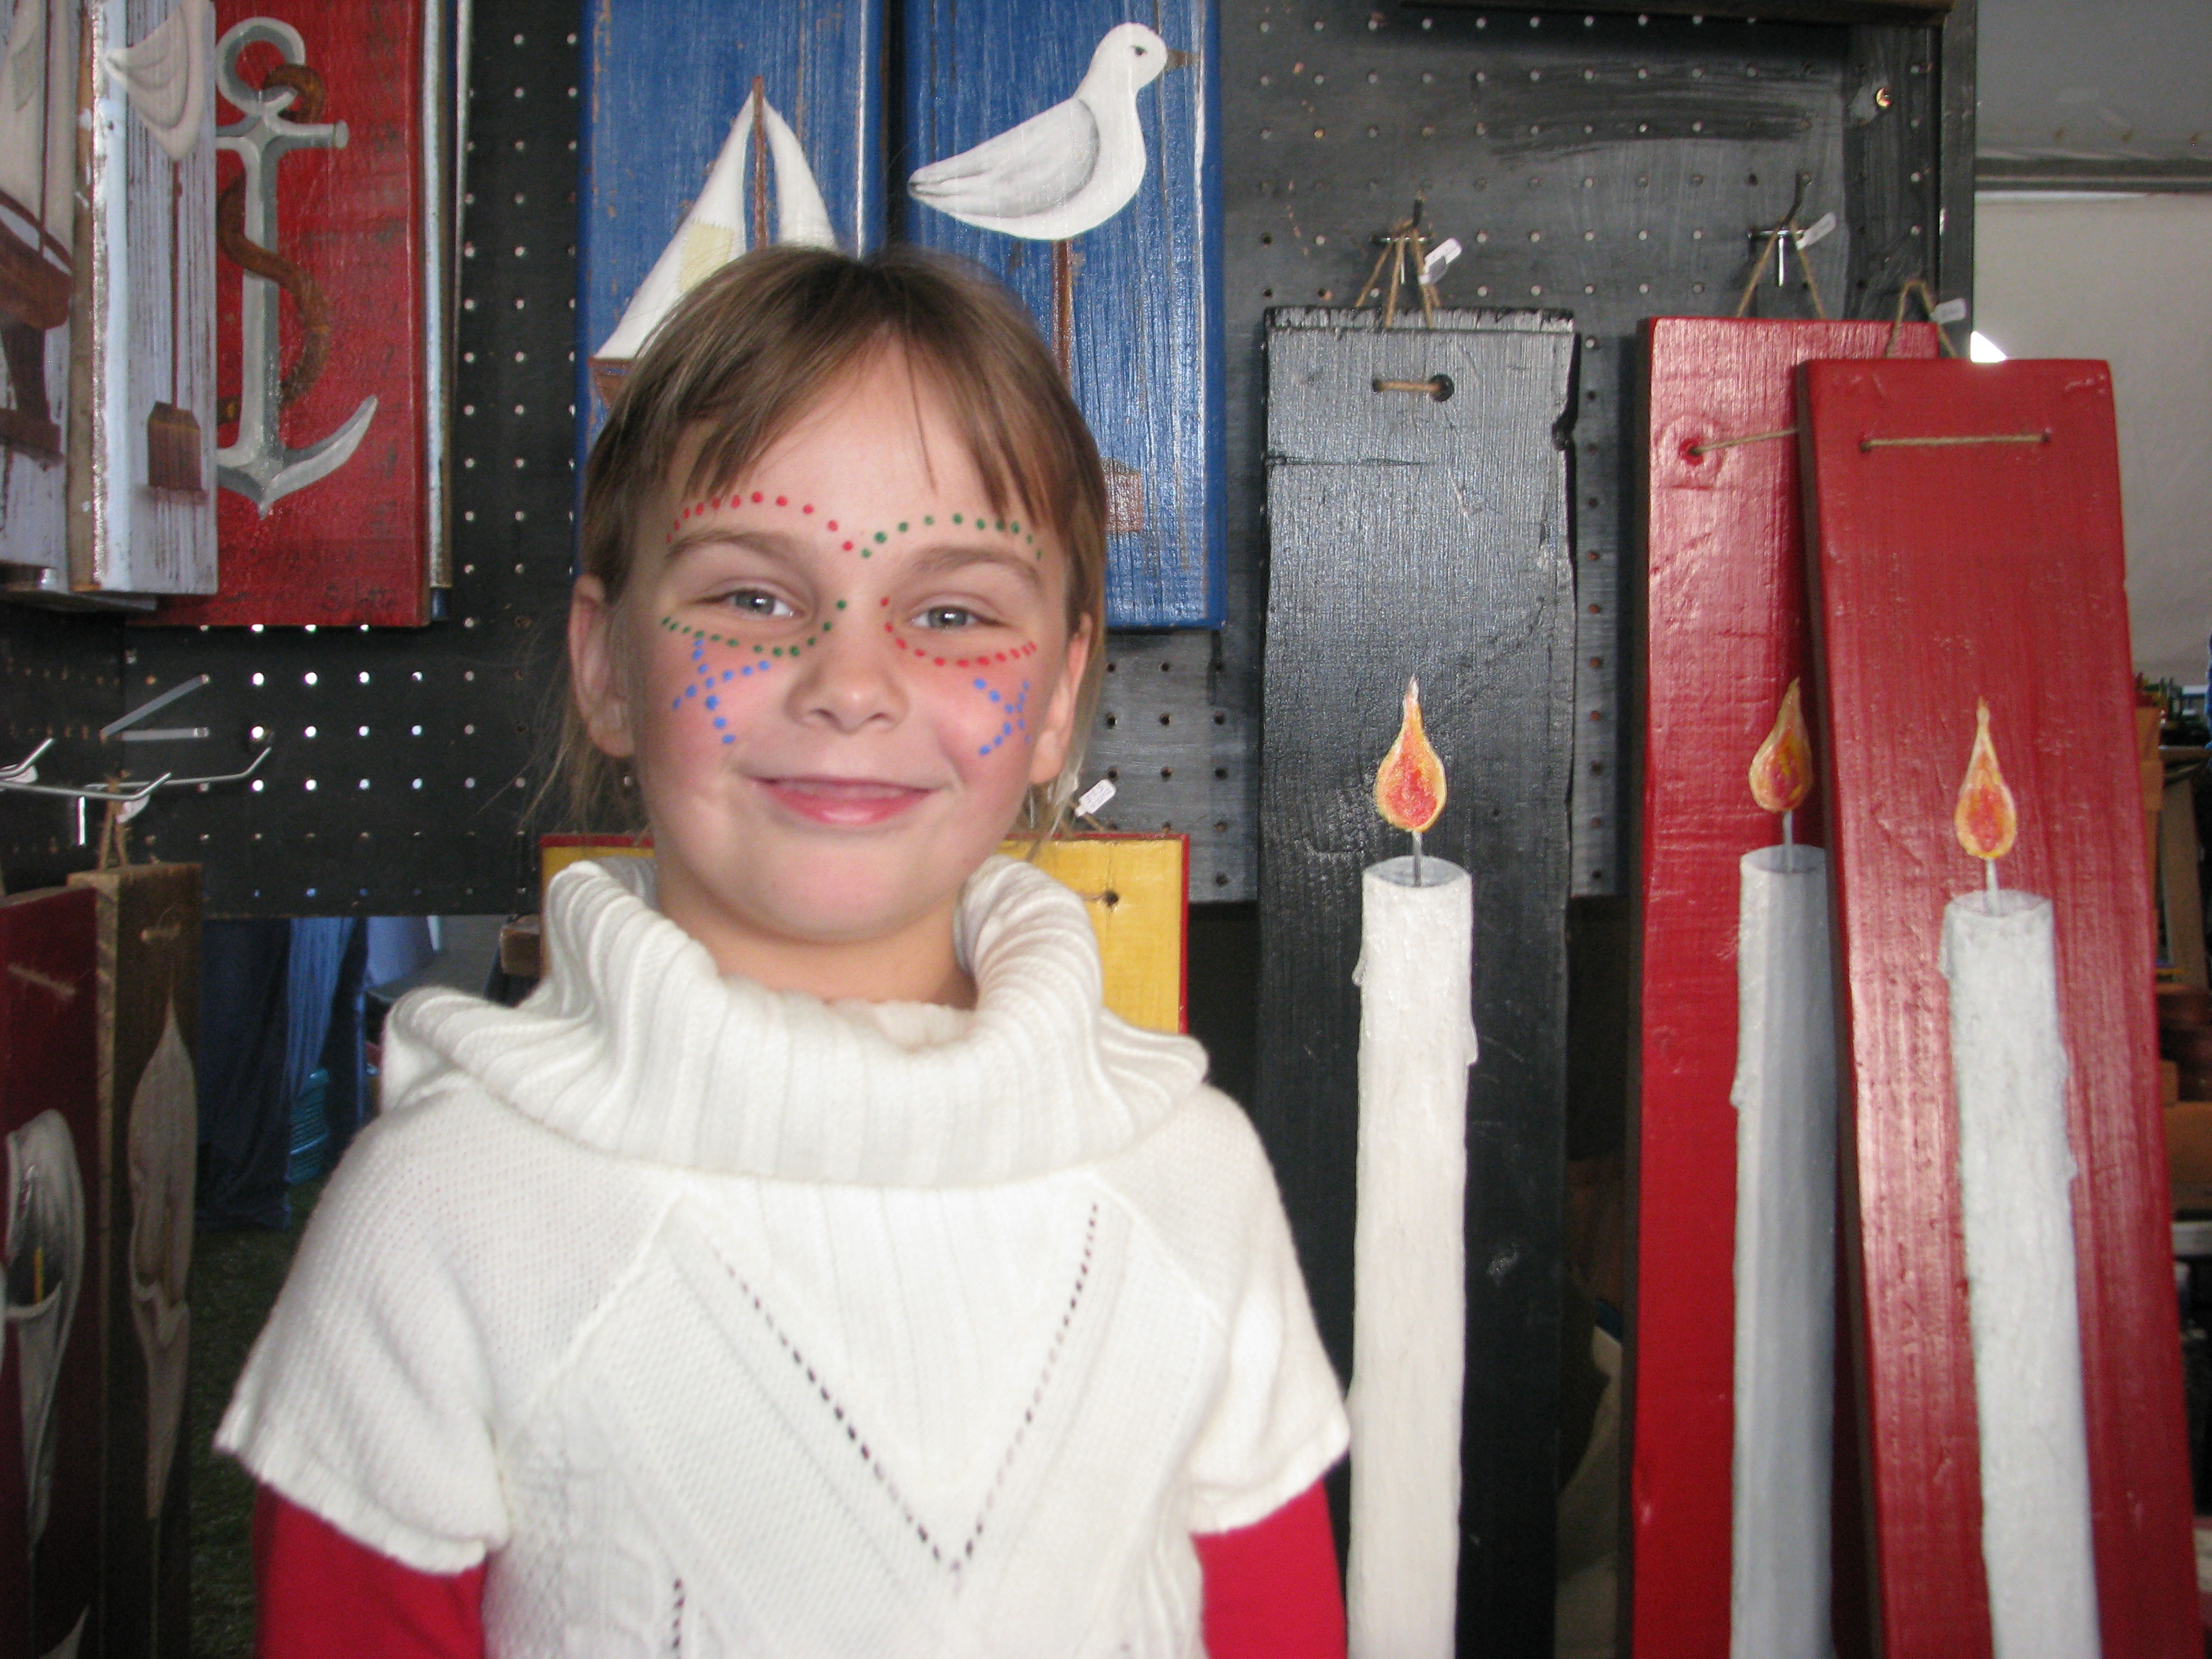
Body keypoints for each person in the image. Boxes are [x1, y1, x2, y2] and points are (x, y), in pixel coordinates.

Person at [219, 245, 1350, 1657]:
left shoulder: (1190, 1182)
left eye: (952, 613)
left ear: (1060, 695)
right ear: (605, 665)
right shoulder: (448, 1217)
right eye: (754, 597)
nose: (853, 683)